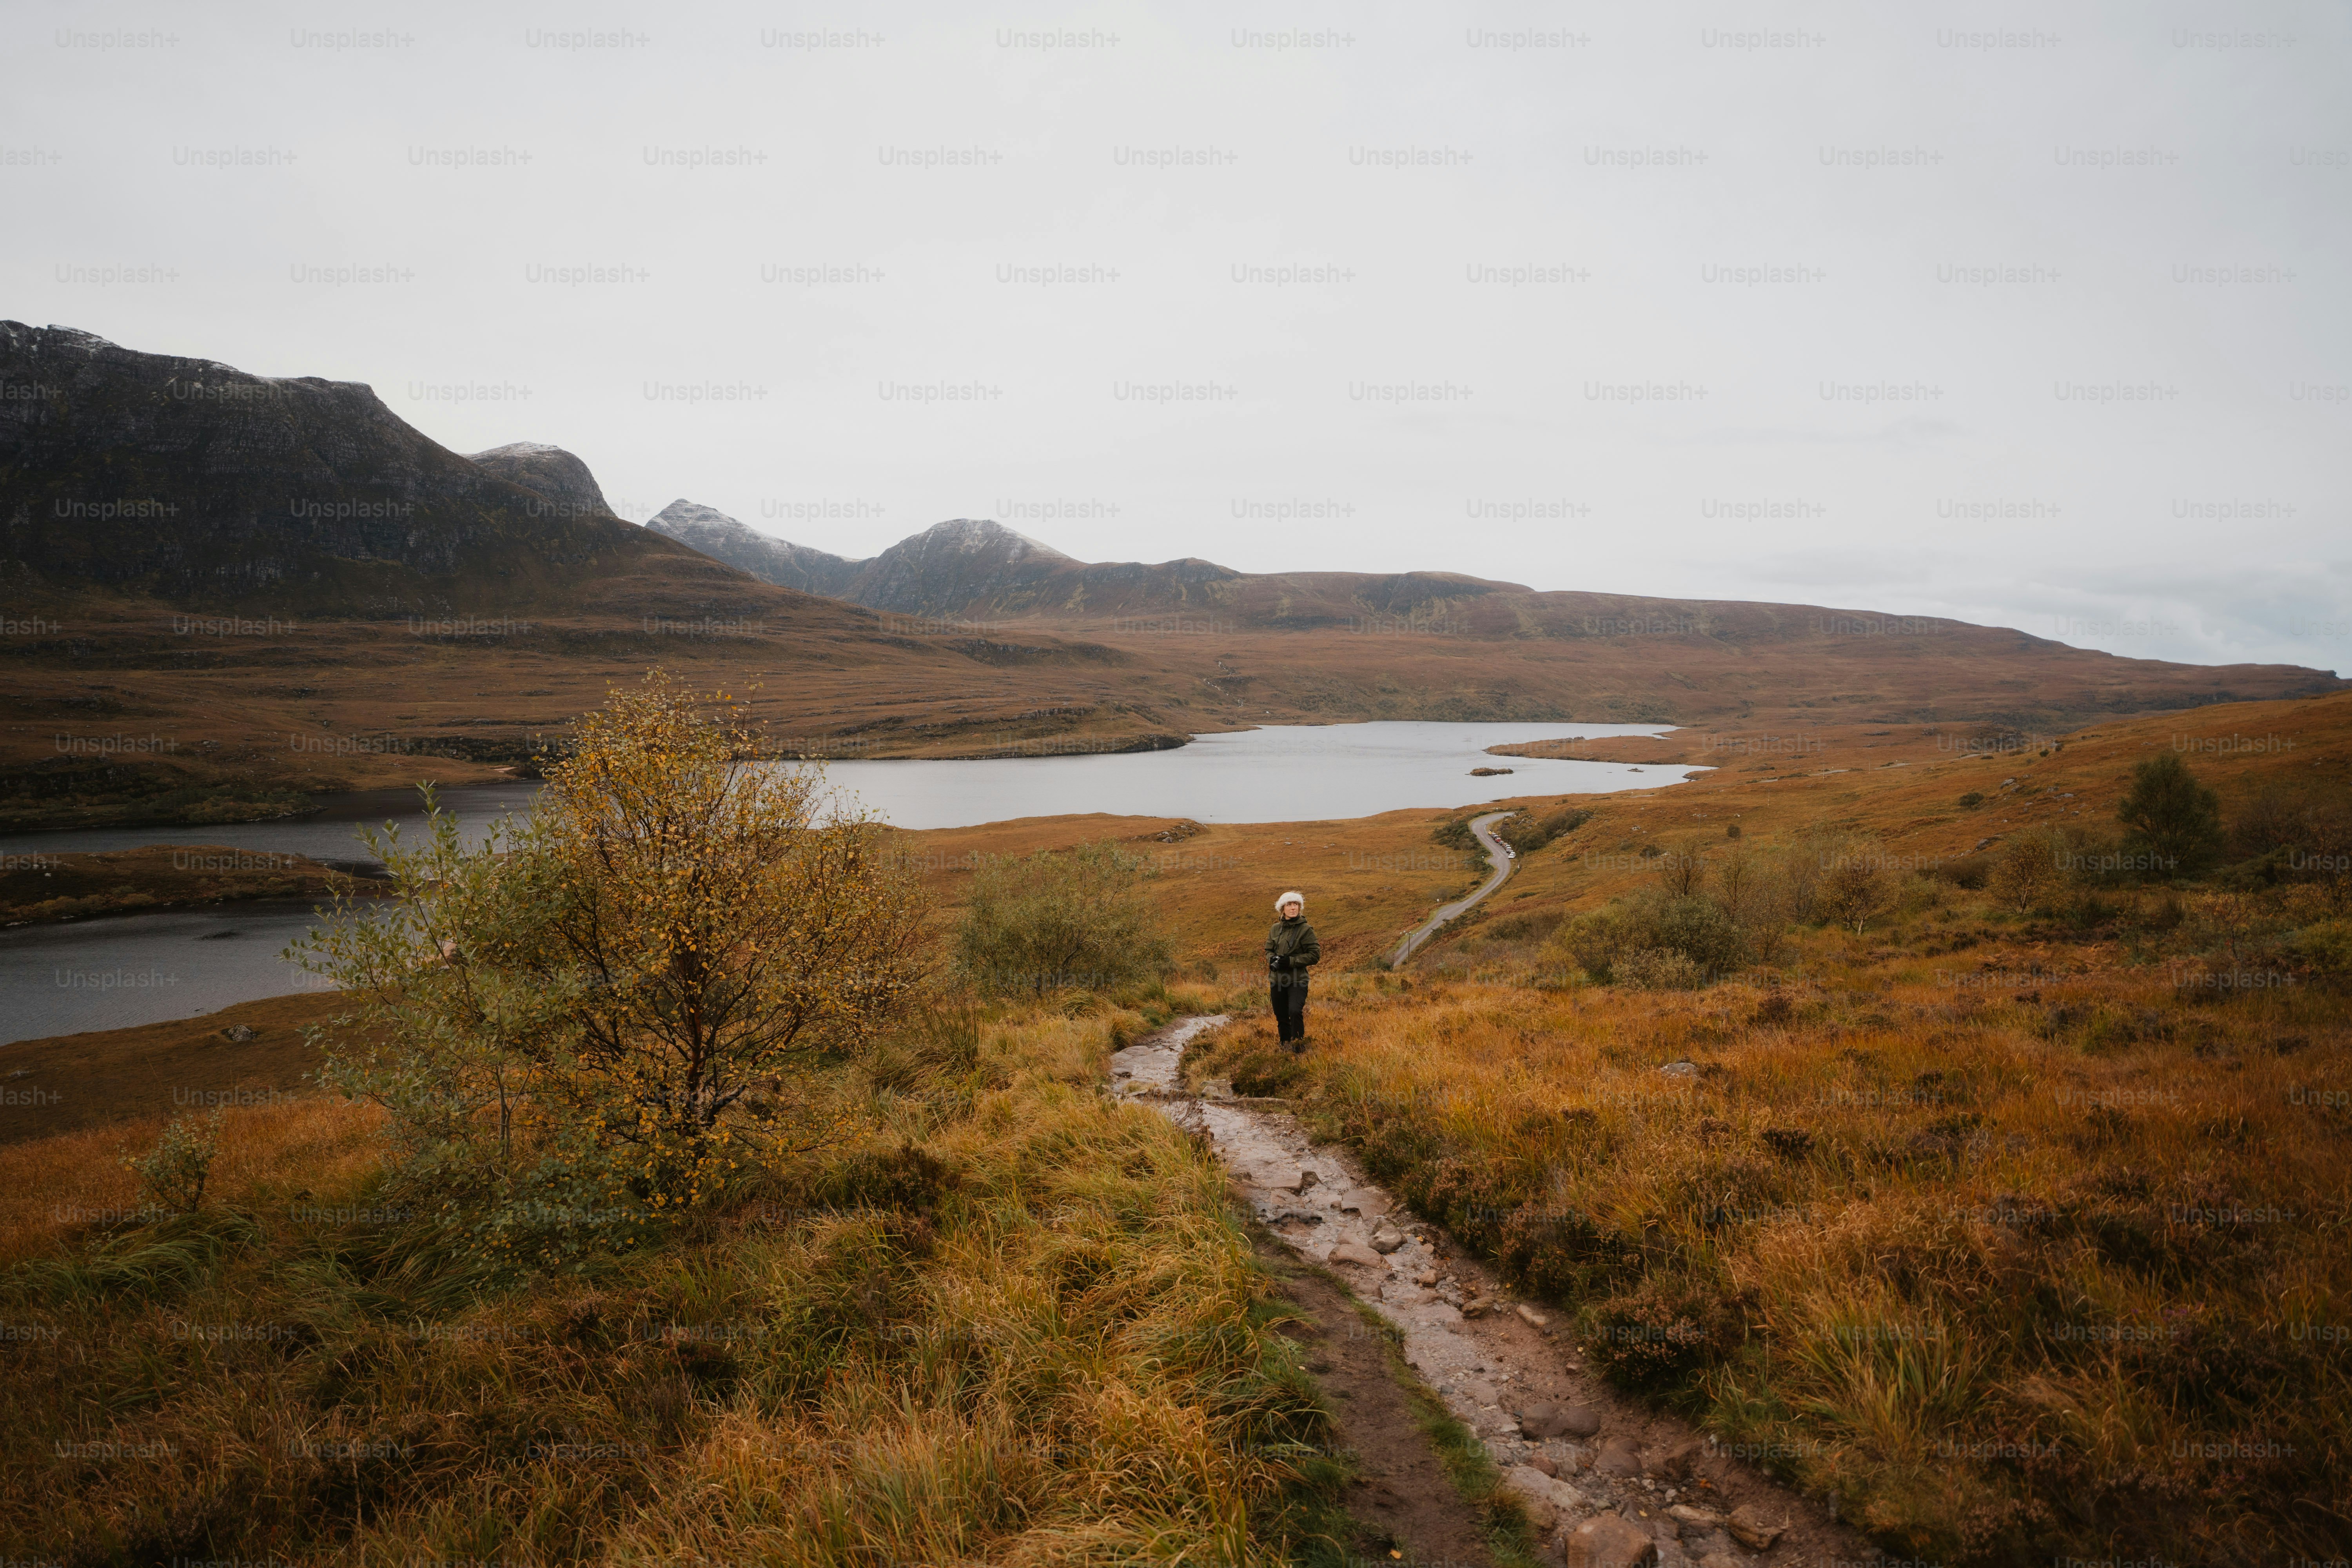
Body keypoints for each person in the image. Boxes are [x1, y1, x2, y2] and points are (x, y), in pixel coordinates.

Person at [1265, 889, 1320, 1052]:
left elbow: (1314, 956)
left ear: (1300, 908)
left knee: (1295, 1011)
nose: (1293, 908)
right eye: (1289, 905)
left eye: (1296, 904)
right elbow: (1268, 950)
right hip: (1277, 980)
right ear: (1283, 909)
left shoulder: (1306, 930)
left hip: (1298, 979)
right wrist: (1272, 959)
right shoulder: (1275, 929)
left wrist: (1291, 961)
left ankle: (1298, 1049)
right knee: (1281, 1015)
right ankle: (1285, 1046)